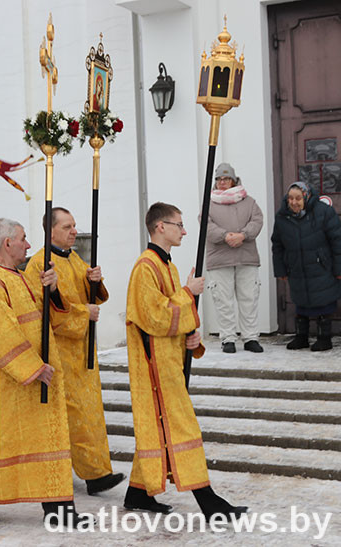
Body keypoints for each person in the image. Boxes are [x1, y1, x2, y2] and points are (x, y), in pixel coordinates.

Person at [0, 218, 82, 527]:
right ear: (7, 243)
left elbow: (46, 318)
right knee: (2, 445)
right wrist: (33, 368)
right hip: (13, 385)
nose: (29, 245)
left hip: (35, 380)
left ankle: (58, 508)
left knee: (49, 443)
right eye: (23, 239)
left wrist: (52, 290)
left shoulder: (20, 278)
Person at [124, 202, 247, 518]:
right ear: (160, 227)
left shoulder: (167, 266)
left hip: (169, 362)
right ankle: (209, 503)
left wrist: (191, 336)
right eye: (178, 224)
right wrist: (187, 293)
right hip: (154, 368)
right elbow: (154, 317)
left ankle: (138, 493)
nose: (184, 230)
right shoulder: (145, 267)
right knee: (182, 428)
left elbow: (173, 316)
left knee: (156, 428)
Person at [24, 208, 124, 496]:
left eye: (74, 226)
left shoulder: (75, 258)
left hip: (83, 352)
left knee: (90, 413)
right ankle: (91, 473)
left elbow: (92, 296)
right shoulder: (39, 264)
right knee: (73, 414)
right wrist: (84, 313)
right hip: (60, 353)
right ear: (51, 230)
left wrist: (94, 280)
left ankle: (97, 470)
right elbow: (44, 313)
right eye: (67, 226)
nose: (74, 231)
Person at [272, 182, 341, 351]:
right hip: (296, 267)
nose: (293, 202)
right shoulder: (282, 216)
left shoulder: (324, 212)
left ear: (307, 196)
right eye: (290, 198)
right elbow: (277, 245)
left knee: (324, 301)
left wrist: (339, 269)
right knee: (300, 301)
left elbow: (337, 241)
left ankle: (324, 339)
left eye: (298, 198)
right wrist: (280, 269)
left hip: (322, 266)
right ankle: (301, 337)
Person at [205, 163, 265, 354]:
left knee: (249, 298)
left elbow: (257, 221)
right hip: (219, 259)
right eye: (219, 179)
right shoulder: (209, 203)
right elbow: (206, 226)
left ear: (234, 180)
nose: (222, 182)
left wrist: (243, 235)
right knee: (223, 301)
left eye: (226, 178)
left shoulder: (249, 202)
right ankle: (228, 338)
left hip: (246, 257)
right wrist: (225, 236)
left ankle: (250, 338)